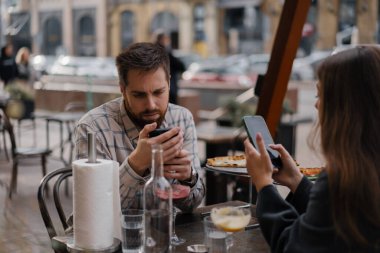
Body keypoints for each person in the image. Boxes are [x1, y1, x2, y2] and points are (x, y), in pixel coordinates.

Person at [244, 45, 380, 252]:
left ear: (345, 105)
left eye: (320, 95)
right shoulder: (367, 168)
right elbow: (330, 219)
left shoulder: (345, 177)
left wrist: (264, 184)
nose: (317, 105)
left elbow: (291, 246)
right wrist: (297, 181)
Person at [74, 42, 205, 211]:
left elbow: (192, 205)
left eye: (158, 92)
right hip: (112, 236)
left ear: (169, 82)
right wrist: (136, 164)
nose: (151, 105)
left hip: (166, 231)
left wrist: (189, 178)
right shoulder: (92, 128)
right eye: (139, 95)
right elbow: (93, 211)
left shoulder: (181, 118)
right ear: (122, 89)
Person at [154, 31, 185, 104]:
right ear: (162, 39)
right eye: (166, 39)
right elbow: (181, 66)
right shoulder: (165, 52)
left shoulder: (153, 51)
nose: (168, 41)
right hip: (168, 85)